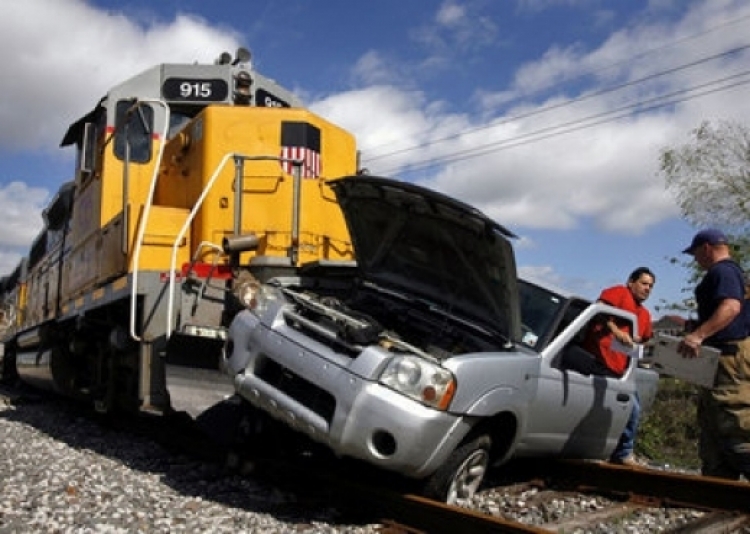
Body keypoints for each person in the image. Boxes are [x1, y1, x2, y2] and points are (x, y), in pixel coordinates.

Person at [563, 267, 656, 466]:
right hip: (596, 362)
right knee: (628, 407)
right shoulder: (619, 293)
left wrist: (638, 340)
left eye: (651, 286)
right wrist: (616, 331)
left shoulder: (645, 315)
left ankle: (618, 450)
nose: (647, 289)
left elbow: (645, 338)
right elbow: (598, 310)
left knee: (632, 408)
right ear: (631, 282)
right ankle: (621, 452)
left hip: (621, 372)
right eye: (644, 283)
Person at [678, 228, 750, 480]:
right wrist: (697, 327)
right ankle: (719, 489)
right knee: (713, 427)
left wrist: (698, 335)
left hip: (729, 358)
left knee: (734, 424)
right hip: (718, 358)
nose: (695, 260)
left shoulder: (724, 271)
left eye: (696, 253)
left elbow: (731, 307)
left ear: (706, 248)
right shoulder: (727, 273)